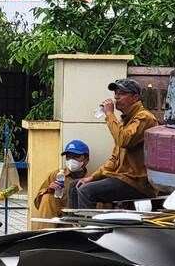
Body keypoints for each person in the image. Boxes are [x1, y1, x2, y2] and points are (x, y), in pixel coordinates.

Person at [68, 78, 158, 209]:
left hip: (136, 182)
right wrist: (92, 177)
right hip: (122, 178)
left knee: (86, 191)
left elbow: (124, 140)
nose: (116, 97)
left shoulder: (144, 117)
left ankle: (89, 228)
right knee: (75, 186)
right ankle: (76, 225)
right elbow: (113, 159)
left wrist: (109, 114)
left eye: (122, 93)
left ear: (135, 97)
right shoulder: (125, 122)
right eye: (116, 93)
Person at [34, 139, 90, 223]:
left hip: (84, 221)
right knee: (47, 198)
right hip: (60, 221)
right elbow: (38, 204)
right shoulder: (55, 175)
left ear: (86, 160)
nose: (71, 160)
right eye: (68, 157)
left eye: (76, 156)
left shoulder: (92, 178)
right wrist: (49, 190)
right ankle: (46, 235)